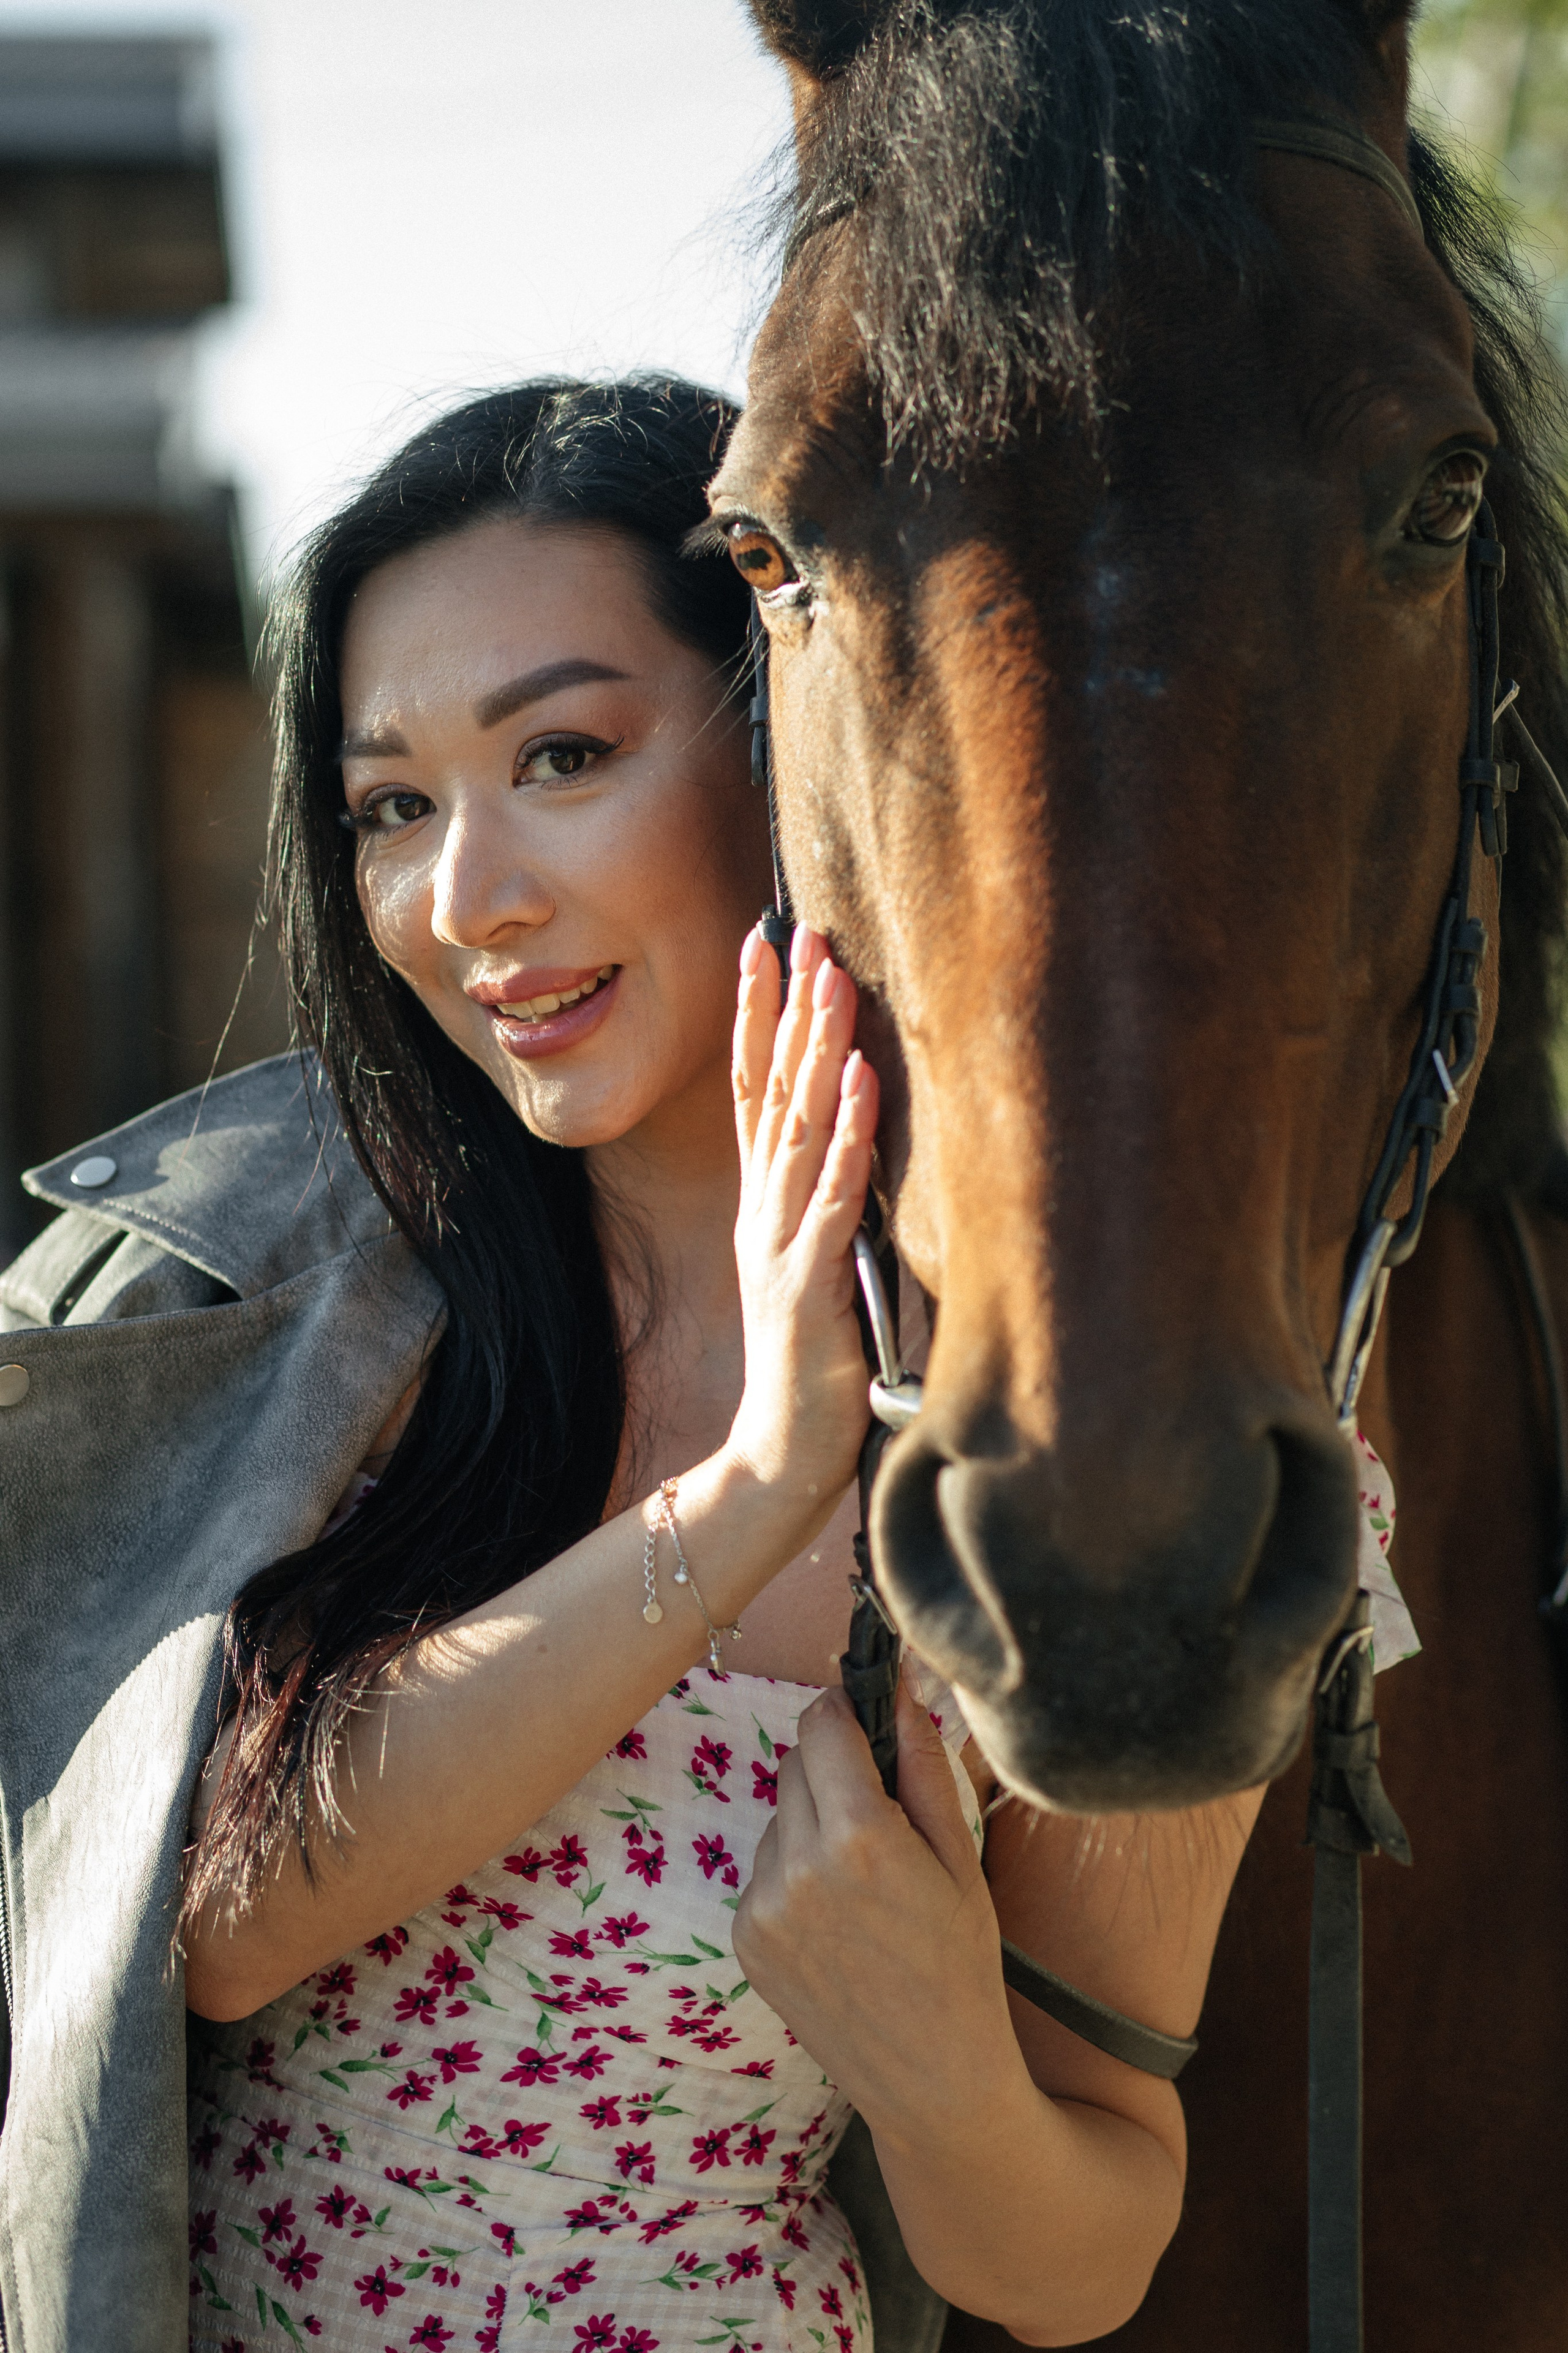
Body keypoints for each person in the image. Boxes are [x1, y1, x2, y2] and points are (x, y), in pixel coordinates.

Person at [0, 379, 1261, 2353]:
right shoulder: (295, 1299)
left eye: (563, 754)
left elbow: (1085, 2242)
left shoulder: (1069, 1412)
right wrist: (754, 1484)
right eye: (391, 804)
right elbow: (224, 1931)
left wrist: (934, 2059)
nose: (465, 898)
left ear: (794, 742)